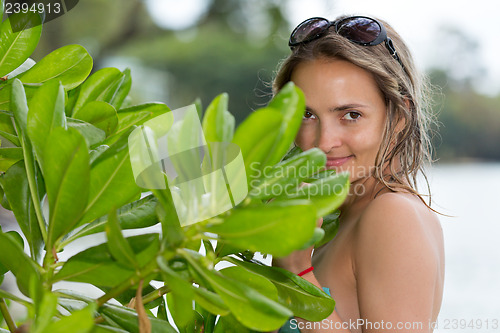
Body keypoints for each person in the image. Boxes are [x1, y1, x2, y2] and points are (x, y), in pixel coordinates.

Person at [271, 15, 444, 333]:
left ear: (399, 114)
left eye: (351, 115)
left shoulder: (393, 215)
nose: (323, 142)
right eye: (307, 114)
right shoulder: (334, 217)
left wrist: (297, 271)